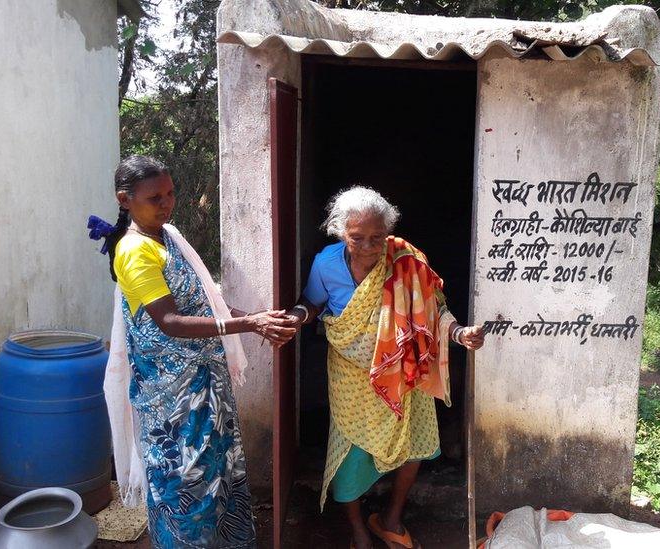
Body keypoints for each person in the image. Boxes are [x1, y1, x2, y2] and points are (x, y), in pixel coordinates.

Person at [87, 155, 295, 548]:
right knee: (183, 494)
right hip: (171, 405)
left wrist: (255, 317)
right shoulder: (134, 251)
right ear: (125, 199)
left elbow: (205, 303)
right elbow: (170, 321)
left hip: (206, 392)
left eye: (170, 193)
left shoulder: (168, 237)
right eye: (155, 197)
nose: (166, 204)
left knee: (218, 483)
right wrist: (250, 325)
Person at [283, 186, 485, 549]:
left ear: (388, 231)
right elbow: (311, 303)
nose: (367, 247)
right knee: (348, 449)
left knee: (413, 440)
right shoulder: (326, 264)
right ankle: (359, 530)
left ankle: (391, 518)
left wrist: (459, 334)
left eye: (377, 237)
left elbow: (434, 310)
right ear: (341, 232)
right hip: (350, 374)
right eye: (357, 237)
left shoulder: (405, 260)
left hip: (403, 370)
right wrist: (296, 317)